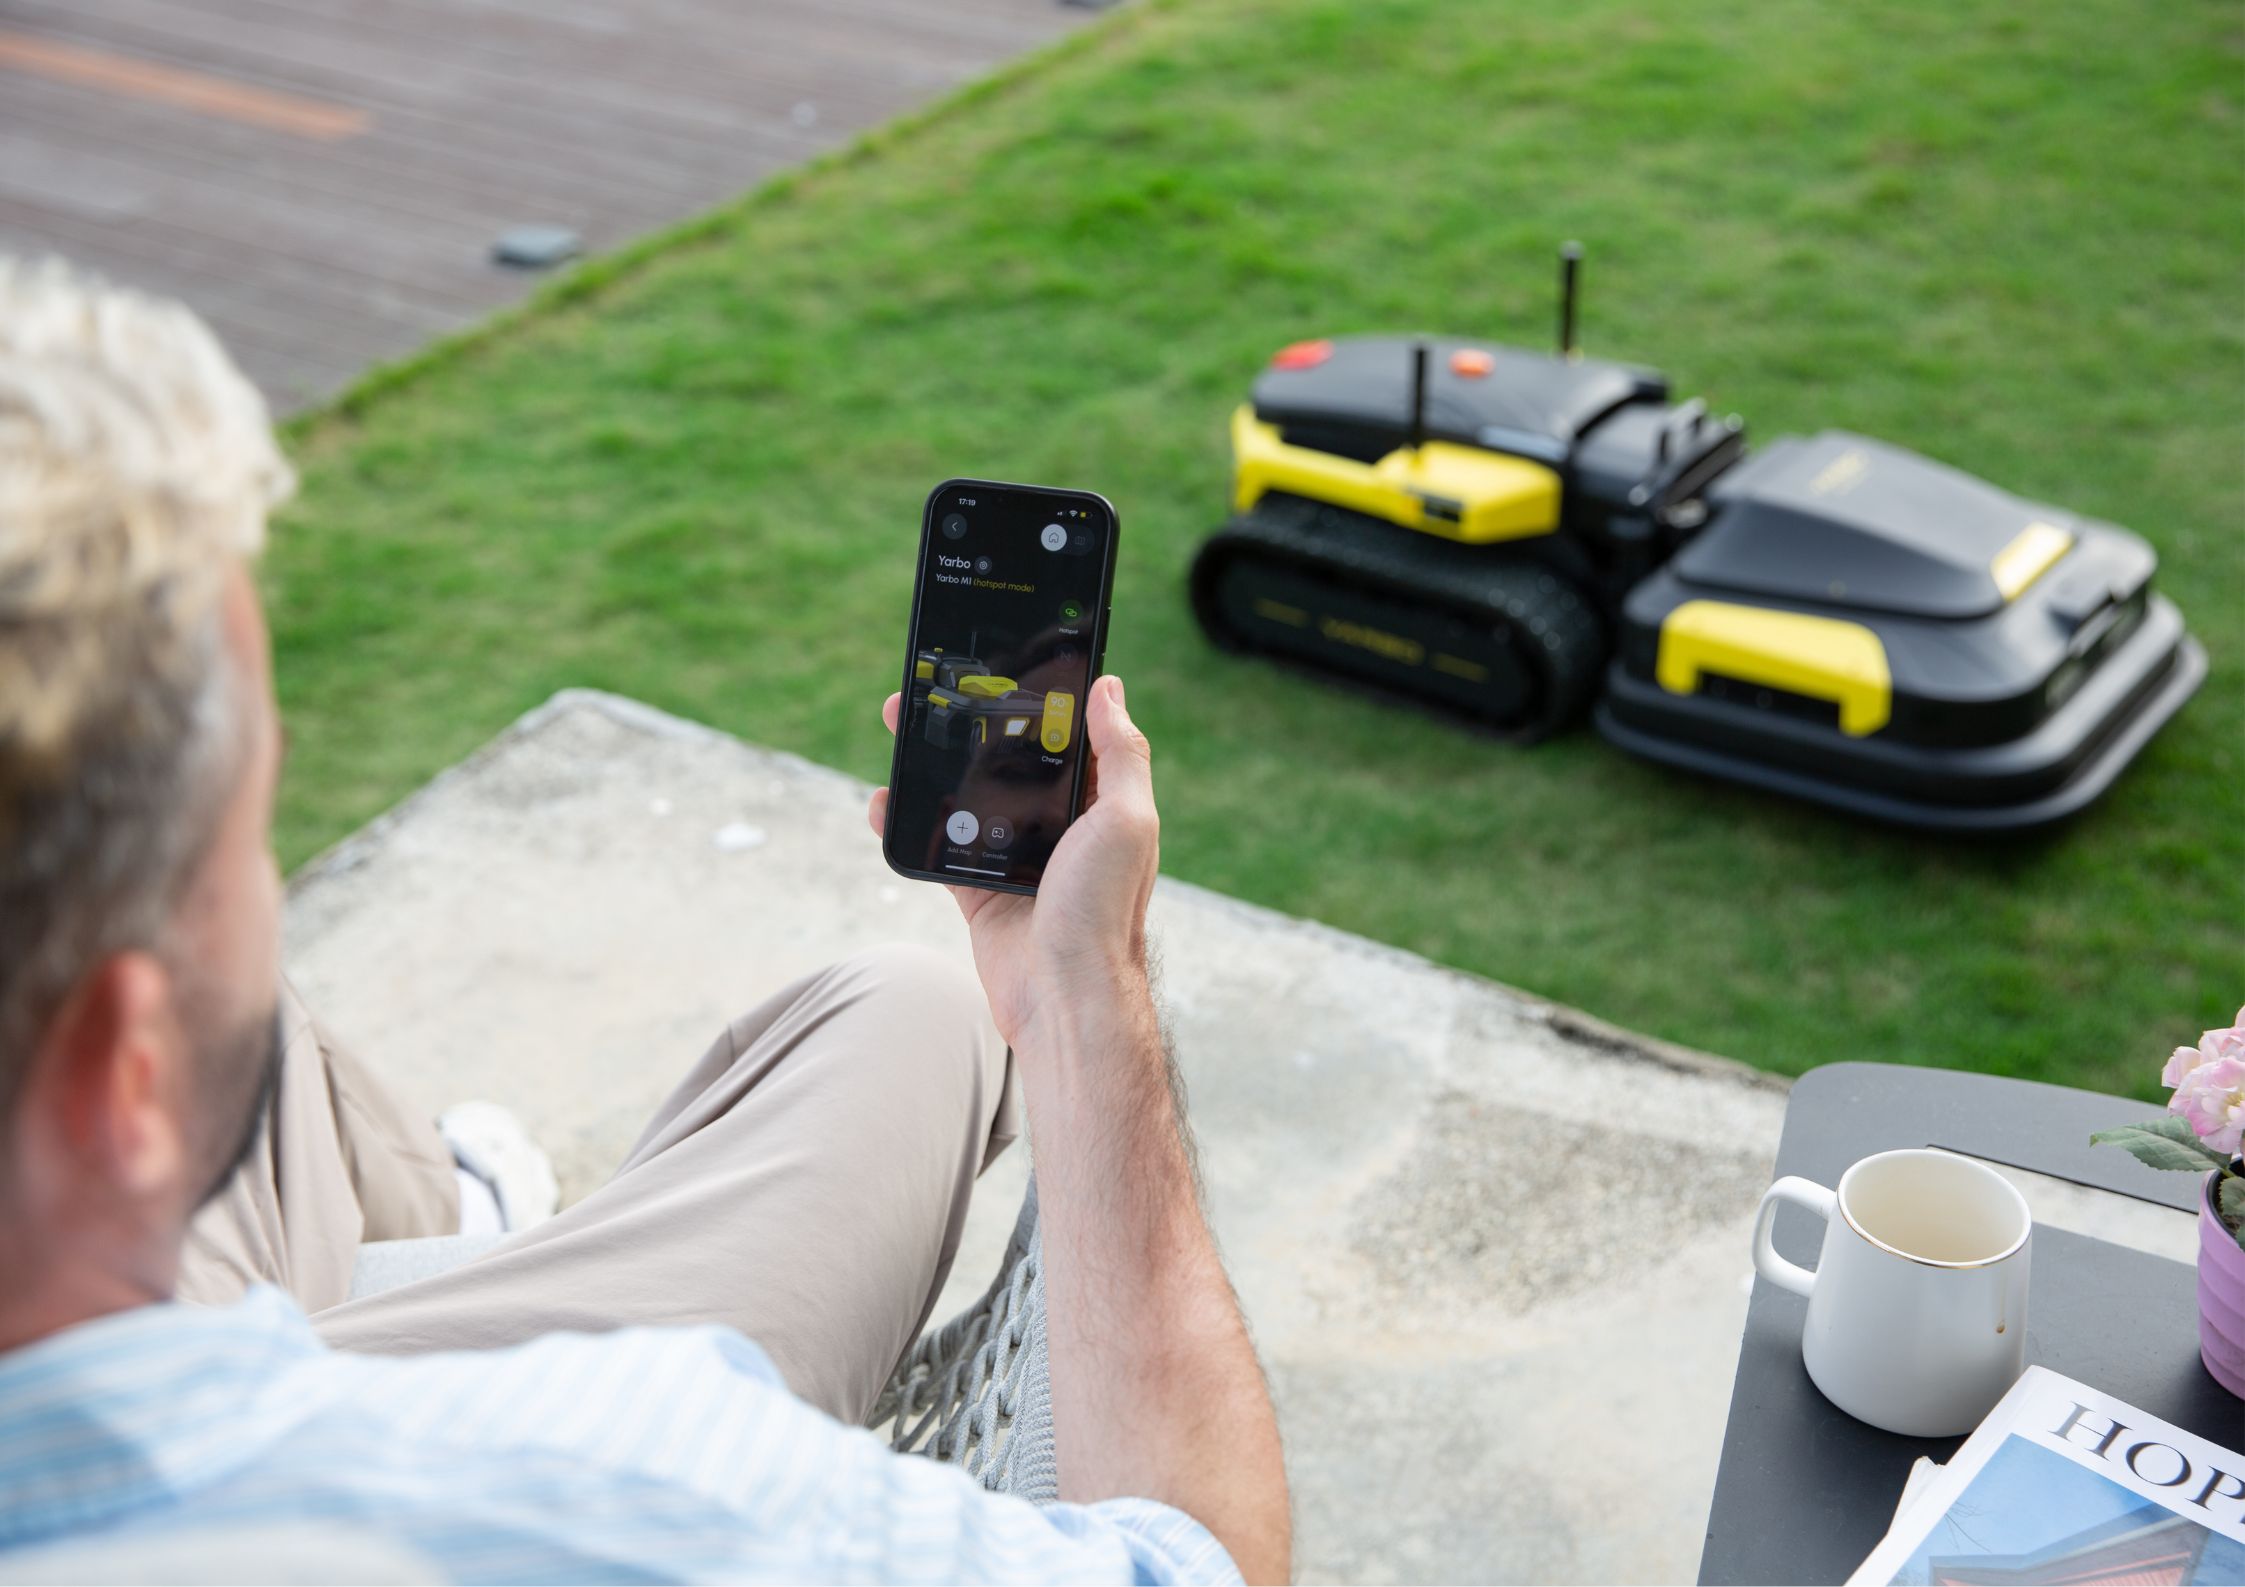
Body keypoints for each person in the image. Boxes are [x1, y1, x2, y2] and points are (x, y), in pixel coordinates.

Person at [0, 258, 1289, 1583]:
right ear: (126, 1074)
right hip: (337, 1428)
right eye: (249, 844)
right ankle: (465, 1225)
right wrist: (1083, 989)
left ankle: (452, 1207)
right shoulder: (633, 1486)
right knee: (918, 1015)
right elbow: (1208, 1564)